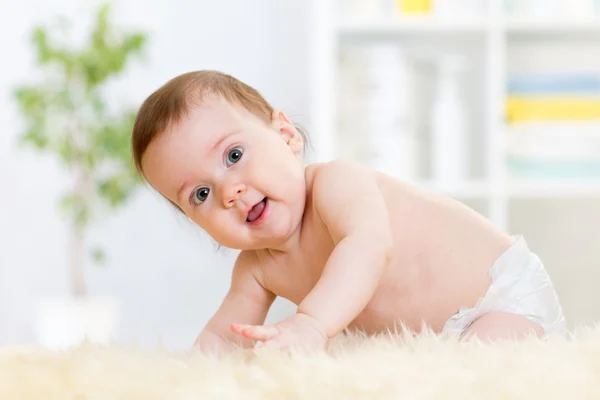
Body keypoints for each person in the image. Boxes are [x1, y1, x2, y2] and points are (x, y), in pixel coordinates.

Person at [131, 70, 566, 353]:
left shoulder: (335, 184)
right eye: (201, 195)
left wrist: (311, 324)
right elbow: (221, 341)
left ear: (285, 136)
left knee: (471, 377)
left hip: (499, 300)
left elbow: (369, 247)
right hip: (432, 342)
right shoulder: (256, 270)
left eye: (234, 155)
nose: (230, 190)